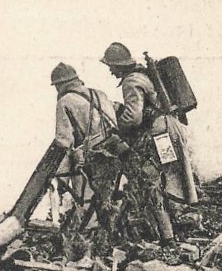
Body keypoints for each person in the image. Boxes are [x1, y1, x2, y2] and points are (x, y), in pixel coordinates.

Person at [99, 42, 198, 246]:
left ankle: (168, 236)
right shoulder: (143, 75)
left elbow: (133, 117)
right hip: (170, 128)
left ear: (119, 66)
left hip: (158, 133)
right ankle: (177, 227)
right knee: (169, 176)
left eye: (111, 66)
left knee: (151, 179)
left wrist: (116, 126)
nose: (110, 71)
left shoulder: (131, 82)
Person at [51, 62, 120, 258]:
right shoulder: (100, 94)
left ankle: (87, 250)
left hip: (93, 156)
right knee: (109, 200)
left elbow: (63, 140)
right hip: (115, 151)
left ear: (60, 85)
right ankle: (111, 243)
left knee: (87, 202)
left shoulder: (64, 101)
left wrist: (60, 172)